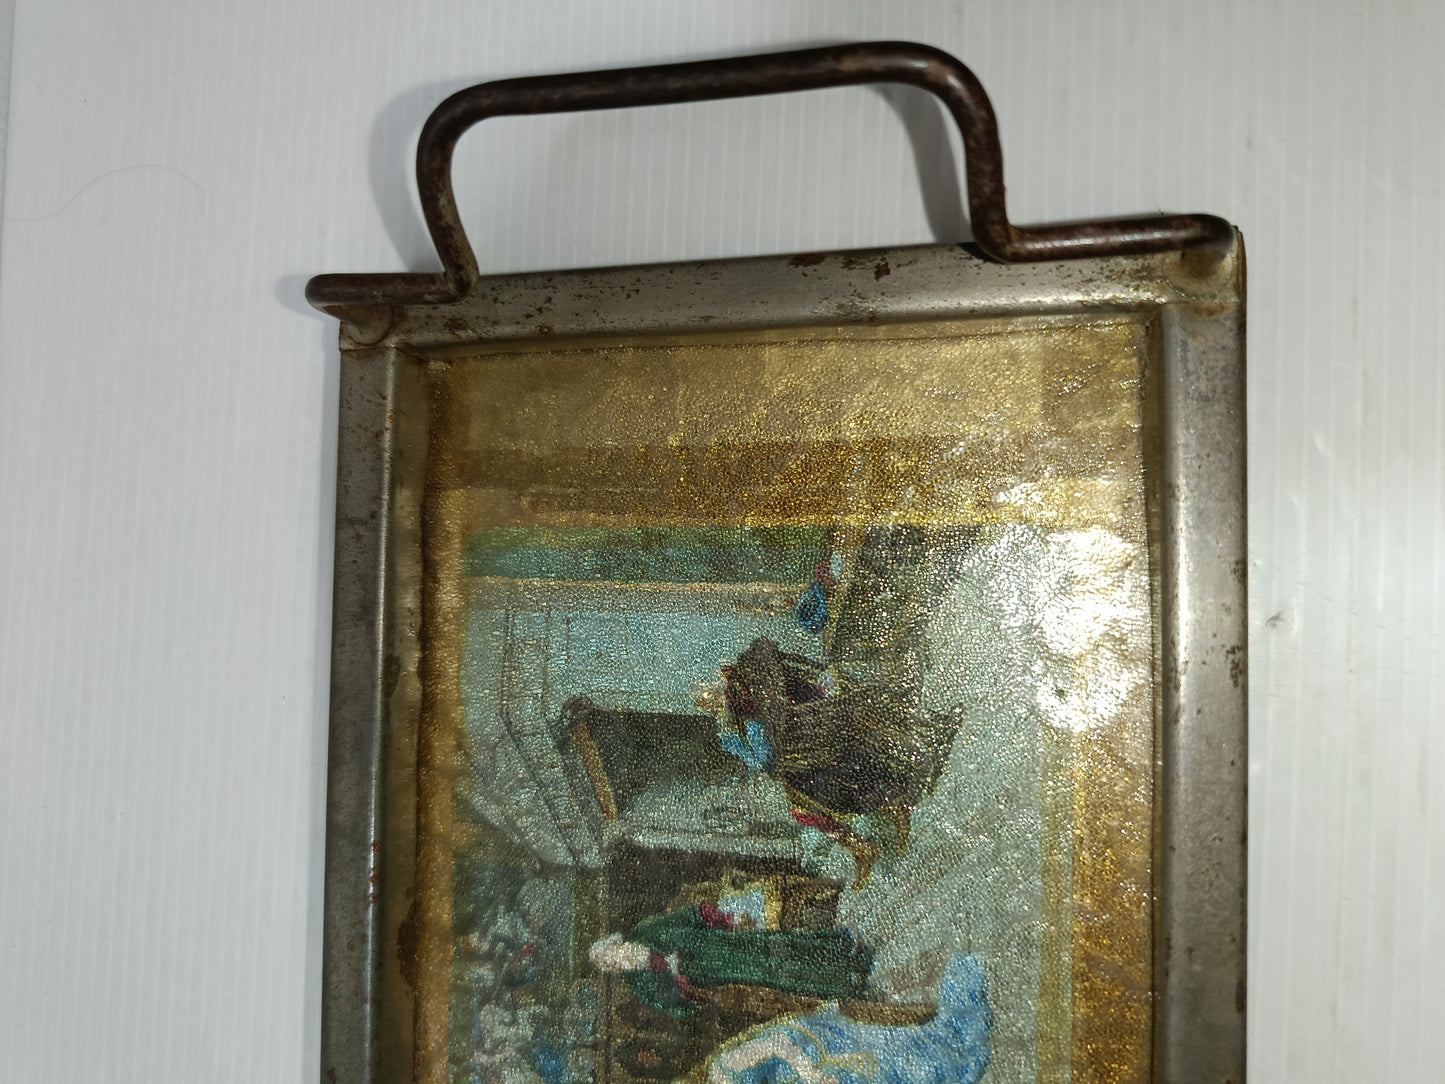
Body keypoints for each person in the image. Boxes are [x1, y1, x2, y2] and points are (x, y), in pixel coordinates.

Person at [701, 954, 992, 1084]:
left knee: (869, 1072)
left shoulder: (725, 1070)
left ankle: (942, 1050)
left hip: (810, 1048)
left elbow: (778, 1043)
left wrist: (811, 1074)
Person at [589, 904, 875, 1019]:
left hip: (720, 942)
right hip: (720, 969)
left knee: (779, 945)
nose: (617, 960)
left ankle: (843, 951)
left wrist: (720, 918)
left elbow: (688, 916)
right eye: (610, 964)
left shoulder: (645, 931)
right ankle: (845, 981)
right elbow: (677, 1007)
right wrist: (679, 984)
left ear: (616, 943)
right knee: (777, 972)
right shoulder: (639, 983)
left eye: (612, 954)